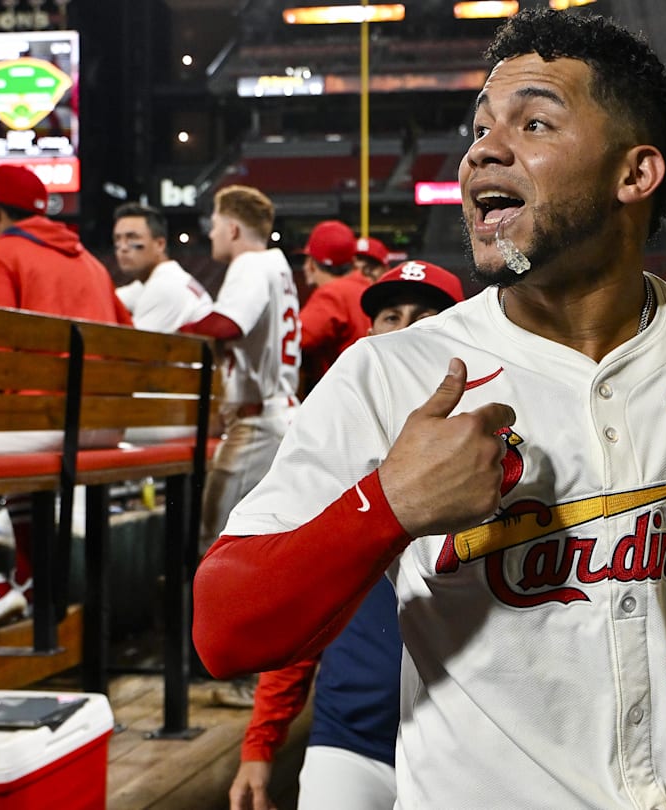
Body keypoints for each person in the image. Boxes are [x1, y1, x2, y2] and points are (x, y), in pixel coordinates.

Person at [193, 9, 666, 809]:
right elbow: (223, 631)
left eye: (534, 122)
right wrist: (386, 506)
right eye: (481, 126)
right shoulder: (392, 374)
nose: (484, 147)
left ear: (636, 173)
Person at [228, 260, 465, 810]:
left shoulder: (501, 445)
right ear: (368, 335)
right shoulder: (335, 452)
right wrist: (261, 741)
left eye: (427, 316)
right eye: (390, 316)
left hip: (467, 746)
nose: (404, 330)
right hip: (351, 740)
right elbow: (298, 607)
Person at [0, 164, 132, 640]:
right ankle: (31, 581)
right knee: (22, 466)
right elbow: (129, 338)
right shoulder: (91, 262)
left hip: (48, 420)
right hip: (107, 424)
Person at [178, 185, 301, 705]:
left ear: (232, 227)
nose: (208, 232)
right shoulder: (277, 265)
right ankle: (257, 672)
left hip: (259, 424)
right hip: (274, 416)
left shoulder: (251, 265)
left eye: (213, 222)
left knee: (223, 552)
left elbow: (227, 323)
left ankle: (243, 676)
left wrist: (178, 329)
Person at [111, 202, 214, 332]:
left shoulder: (165, 287)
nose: (123, 247)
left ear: (160, 244)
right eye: (117, 239)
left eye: (132, 237)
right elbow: (108, 299)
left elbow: (129, 348)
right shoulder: (163, 278)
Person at [295, 219, 369, 395]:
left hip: (346, 395)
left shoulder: (332, 294)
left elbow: (295, 340)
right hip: (367, 390)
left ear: (312, 264)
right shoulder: (364, 285)